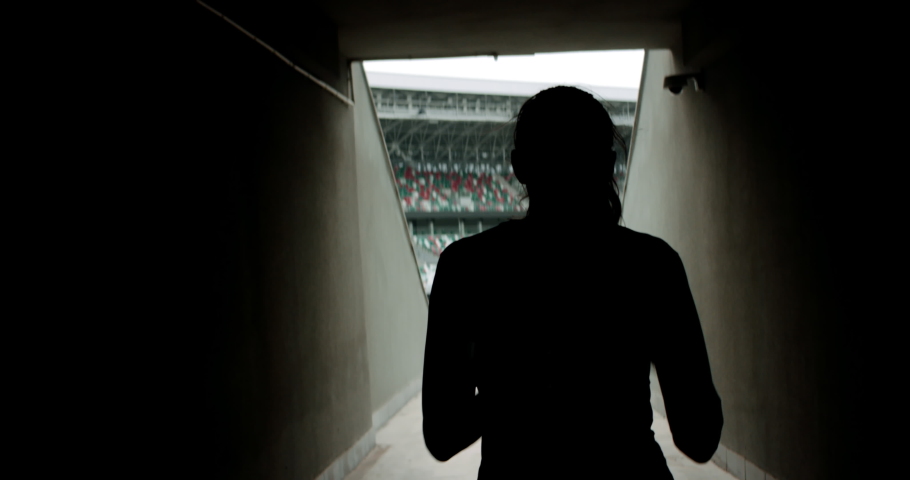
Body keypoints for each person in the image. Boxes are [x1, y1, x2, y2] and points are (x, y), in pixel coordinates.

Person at [421, 86, 723, 479]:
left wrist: (512, 385)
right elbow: (700, 437)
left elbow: (443, 436)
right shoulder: (652, 265)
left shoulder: (467, 266)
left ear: (519, 166)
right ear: (608, 164)